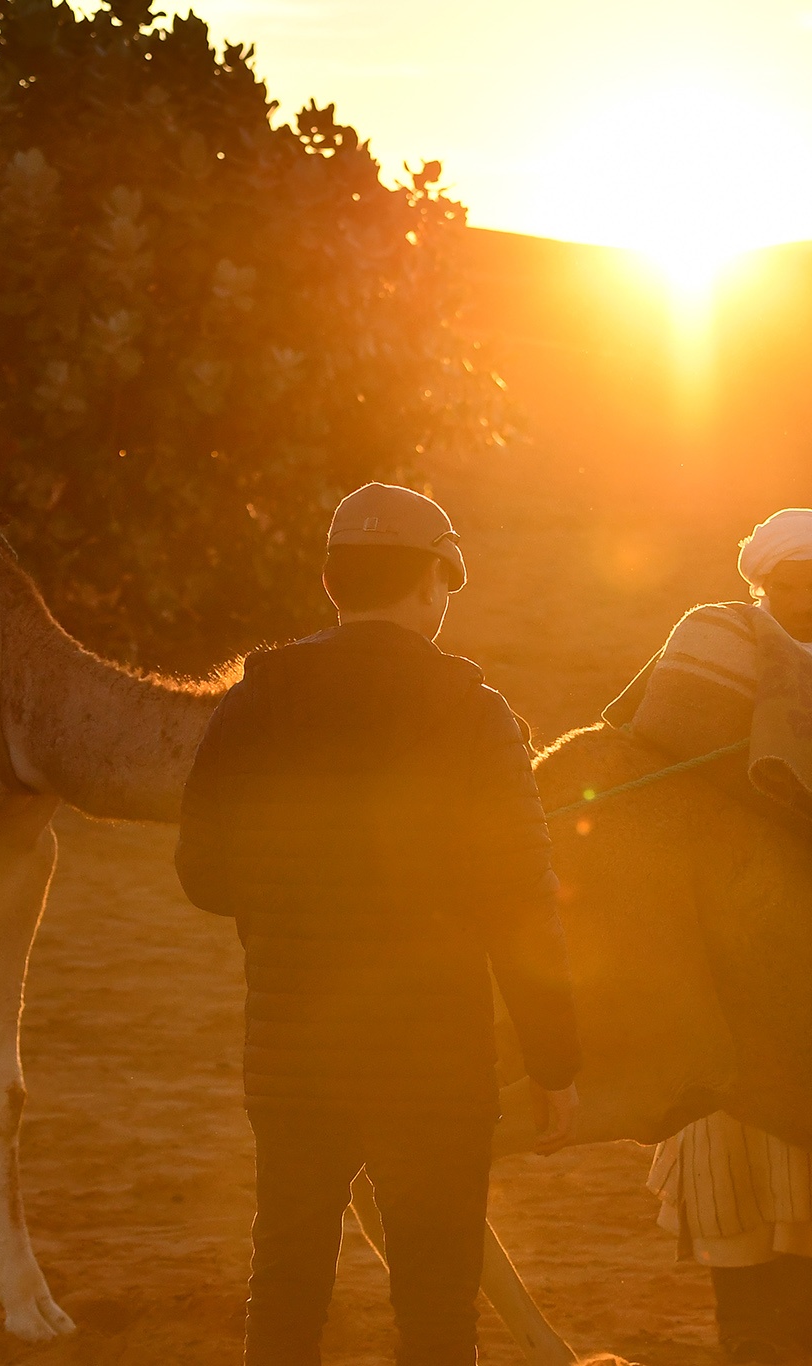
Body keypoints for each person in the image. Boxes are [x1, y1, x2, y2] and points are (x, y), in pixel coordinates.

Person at [174, 483, 583, 1366]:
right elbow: (520, 897)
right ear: (437, 582)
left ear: (331, 580)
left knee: (284, 1281)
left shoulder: (256, 699)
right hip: (433, 1064)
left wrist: (292, 902)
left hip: (293, 1053)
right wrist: (554, 1062)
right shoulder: (477, 712)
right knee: (436, 1300)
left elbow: (201, 875)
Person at [643, 508, 812, 1362]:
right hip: (737, 933)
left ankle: (801, 1328)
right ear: (761, 587)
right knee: (735, 1137)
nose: (799, 604)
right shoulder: (724, 655)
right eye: (783, 588)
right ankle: (750, 1334)